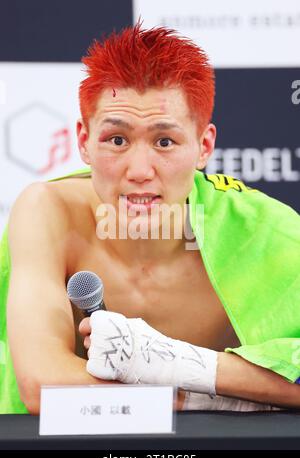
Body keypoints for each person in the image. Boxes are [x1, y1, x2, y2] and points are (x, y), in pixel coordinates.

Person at [1, 22, 300, 415]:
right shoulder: (47, 210)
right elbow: (41, 387)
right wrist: (197, 387)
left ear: (203, 146)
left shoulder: (265, 231)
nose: (139, 170)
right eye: (117, 140)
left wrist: (170, 362)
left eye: (164, 141)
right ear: (84, 141)